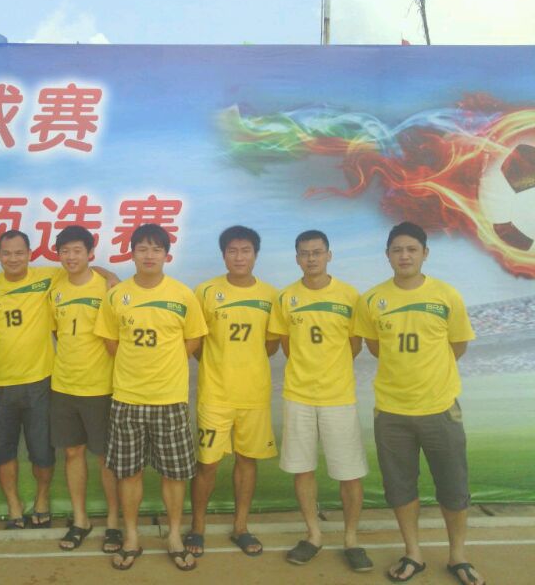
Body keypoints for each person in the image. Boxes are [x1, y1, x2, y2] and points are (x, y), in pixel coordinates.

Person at [353, 222, 484, 585]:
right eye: (397, 249)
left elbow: (458, 345)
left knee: (453, 487)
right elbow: (376, 348)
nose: (404, 256)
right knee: (400, 487)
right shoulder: (372, 300)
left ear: (425, 253)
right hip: (391, 412)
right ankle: (413, 553)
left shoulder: (446, 295)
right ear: (387, 255)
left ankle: (458, 556)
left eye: (412, 249)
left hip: (440, 409)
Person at [95, 223, 208, 571]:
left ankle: (174, 535)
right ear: (131, 254)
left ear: (166, 255)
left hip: (170, 400)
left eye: (156, 249)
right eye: (142, 248)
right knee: (128, 473)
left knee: (174, 474)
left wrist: (165, 365)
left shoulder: (183, 295)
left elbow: (193, 340)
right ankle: (131, 536)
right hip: (127, 399)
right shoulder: (116, 296)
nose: (149, 255)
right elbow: (111, 342)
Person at [269, 230, 373, 572]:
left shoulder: (349, 296)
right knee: (303, 469)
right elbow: (287, 345)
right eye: (304, 253)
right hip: (298, 396)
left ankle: (351, 539)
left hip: (338, 397)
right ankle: (313, 535)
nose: (311, 258)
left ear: (329, 255)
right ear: (297, 258)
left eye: (317, 252)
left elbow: (354, 345)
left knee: (349, 473)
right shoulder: (286, 297)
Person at [186, 225, 279, 559]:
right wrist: (219, 365)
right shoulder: (206, 292)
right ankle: (197, 528)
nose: (239, 257)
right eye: (232, 251)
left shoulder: (271, 295)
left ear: (255, 254)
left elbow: (270, 345)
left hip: (254, 395)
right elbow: (197, 342)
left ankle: (241, 527)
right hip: (215, 395)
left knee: (246, 460)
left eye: (246, 250)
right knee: (207, 464)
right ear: (223, 255)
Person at [0, 230, 62, 529]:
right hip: (0, 386)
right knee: (3, 450)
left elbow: (85, 269)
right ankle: (14, 505)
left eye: (19, 253)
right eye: (7, 253)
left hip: (40, 381)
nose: (13, 258)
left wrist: (110, 276)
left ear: (30, 254)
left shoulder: (48, 277)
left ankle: (42, 499)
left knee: (42, 450)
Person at [48, 226, 120, 553]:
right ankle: (80, 520)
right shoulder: (55, 287)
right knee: (72, 453)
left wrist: (109, 274)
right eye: (65, 251)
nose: (71, 257)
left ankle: (114, 523)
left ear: (90, 253)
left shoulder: (108, 287)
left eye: (77, 250)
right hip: (63, 386)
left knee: (106, 458)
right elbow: (57, 332)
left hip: (101, 387)